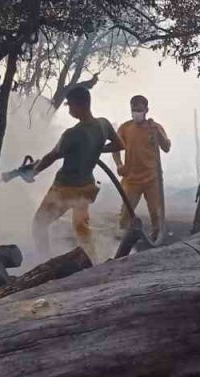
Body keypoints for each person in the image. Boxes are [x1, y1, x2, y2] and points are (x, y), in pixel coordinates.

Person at [29, 85, 122, 260]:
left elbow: (52, 156)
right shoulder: (103, 124)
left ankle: (43, 261)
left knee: (39, 224)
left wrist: (34, 171)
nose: (69, 109)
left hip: (64, 188)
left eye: (70, 105)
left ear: (80, 105)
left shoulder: (72, 133)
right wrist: (96, 149)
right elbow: (119, 145)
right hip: (86, 187)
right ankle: (92, 260)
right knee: (81, 227)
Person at [114, 95, 171, 242]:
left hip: (152, 179)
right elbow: (115, 147)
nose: (136, 113)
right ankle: (121, 244)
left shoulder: (155, 128)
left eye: (139, 110)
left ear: (146, 110)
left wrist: (157, 133)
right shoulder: (125, 128)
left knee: (156, 213)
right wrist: (119, 164)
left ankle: (156, 240)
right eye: (134, 110)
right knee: (125, 214)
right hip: (131, 179)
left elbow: (166, 147)